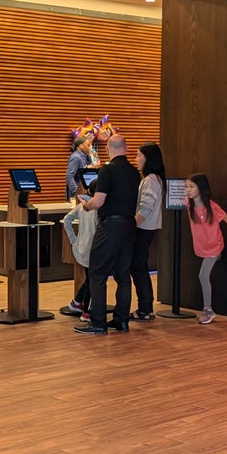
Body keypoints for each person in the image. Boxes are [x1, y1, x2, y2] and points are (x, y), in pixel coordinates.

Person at [74, 134, 141, 335]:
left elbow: (99, 201)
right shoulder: (134, 172)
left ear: (108, 149)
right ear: (126, 149)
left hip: (110, 225)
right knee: (123, 274)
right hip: (129, 225)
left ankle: (98, 322)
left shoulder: (107, 171)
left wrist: (86, 205)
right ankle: (121, 320)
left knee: (97, 272)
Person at [183, 174, 227, 325]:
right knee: (204, 275)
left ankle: (208, 309)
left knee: (203, 275)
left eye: (191, 186)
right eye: (186, 187)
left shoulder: (213, 207)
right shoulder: (188, 204)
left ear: (200, 188)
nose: (187, 190)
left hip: (214, 246)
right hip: (202, 248)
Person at [130, 142, 165, 321]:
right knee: (139, 267)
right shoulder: (156, 178)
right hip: (148, 228)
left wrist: (133, 225)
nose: (136, 159)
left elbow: (146, 207)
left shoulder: (150, 179)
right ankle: (146, 307)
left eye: (138, 155)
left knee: (138, 267)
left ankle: (145, 308)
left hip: (143, 228)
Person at [59, 175, 99, 322]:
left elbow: (67, 220)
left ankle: (76, 303)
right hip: (93, 250)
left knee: (90, 278)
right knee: (93, 281)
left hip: (82, 248)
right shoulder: (98, 208)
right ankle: (87, 313)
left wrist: (73, 241)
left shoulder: (82, 205)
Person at [65, 136, 92, 203]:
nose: (90, 148)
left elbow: (88, 164)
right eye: (88, 145)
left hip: (82, 193)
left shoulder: (82, 157)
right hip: (77, 195)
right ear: (81, 146)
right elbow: (69, 176)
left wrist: (89, 155)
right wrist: (76, 191)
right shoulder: (76, 157)